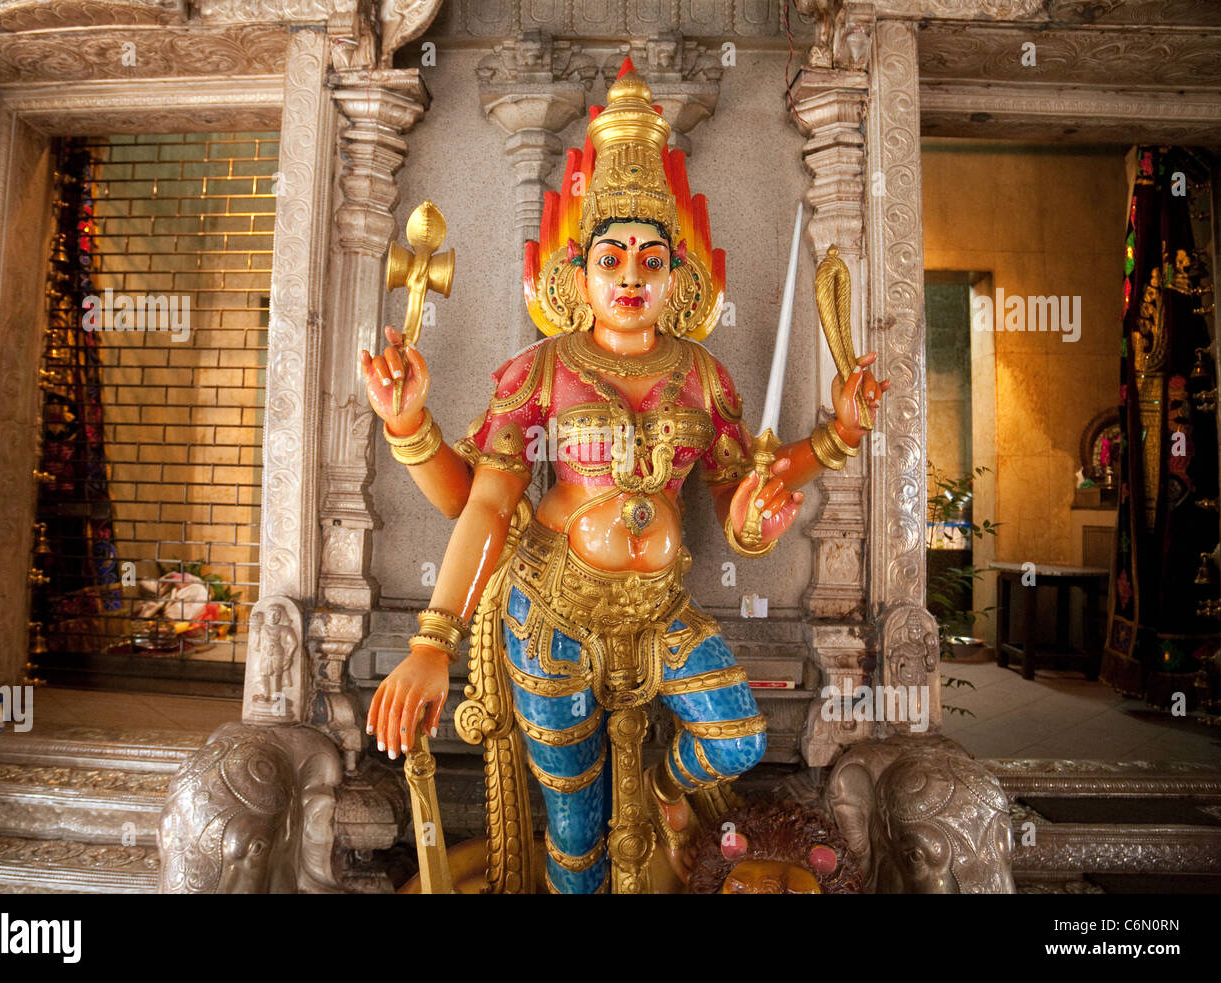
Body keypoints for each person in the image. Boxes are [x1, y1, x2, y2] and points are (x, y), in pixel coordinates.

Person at [361, 62, 887, 894]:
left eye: (651, 258)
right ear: (577, 275)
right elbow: (482, 504)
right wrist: (410, 436)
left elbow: (735, 486)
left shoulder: (704, 377)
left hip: (660, 609)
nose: (633, 276)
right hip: (552, 614)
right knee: (574, 840)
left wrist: (829, 442)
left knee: (736, 735)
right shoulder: (538, 371)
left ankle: (653, 793)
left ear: (681, 276)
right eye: (612, 257)